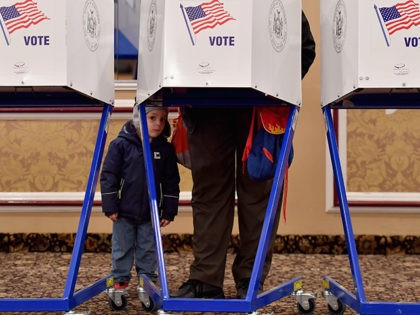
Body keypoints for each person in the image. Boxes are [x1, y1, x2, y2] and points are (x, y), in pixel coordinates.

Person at [172, 11, 316, 299]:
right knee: (210, 192)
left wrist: (277, 88)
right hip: (206, 105)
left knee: (259, 194)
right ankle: (206, 280)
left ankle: (250, 281)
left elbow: (304, 47)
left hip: (258, 108)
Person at [100, 105, 180, 290]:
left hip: (150, 213)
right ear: (138, 118)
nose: (158, 124)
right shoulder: (121, 145)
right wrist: (110, 205)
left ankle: (147, 282)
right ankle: (120, 280)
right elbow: (109, 175)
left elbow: (171, 182)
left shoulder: (165, 150)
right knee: (122, 248)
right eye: (152, 118)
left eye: (162, 119)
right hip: (123, 212)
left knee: (148, 249)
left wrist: (168, 210)